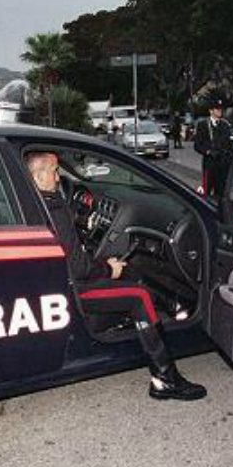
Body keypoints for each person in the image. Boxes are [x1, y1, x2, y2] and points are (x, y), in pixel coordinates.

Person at [25, 151, 206, 401]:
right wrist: (108, 268)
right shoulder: (53, 208)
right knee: (138, 296)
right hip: (74, 288)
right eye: (55, 171)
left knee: (130, 268)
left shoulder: (36, 202)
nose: (58, 178)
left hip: (60, 280)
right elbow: (79, 269)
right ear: (38, 176)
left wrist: (106, 264)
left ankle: (171, 306)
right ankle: (165, 379)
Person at [194, 99, 233, 198]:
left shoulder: (225, 125)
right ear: (211, 111)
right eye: (217, 109)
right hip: (210, 164)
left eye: (221, 109)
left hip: (223, 165)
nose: (220, 111)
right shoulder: (203, 125)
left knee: (222, 193)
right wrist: (208, 151)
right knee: (206, 191)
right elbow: (197, 145)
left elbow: (229, 144)